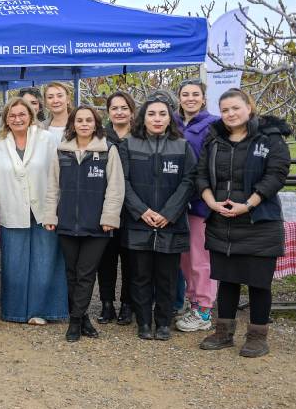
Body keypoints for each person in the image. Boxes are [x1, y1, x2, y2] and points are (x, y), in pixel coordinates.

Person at [197, 89, 291, 357]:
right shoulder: (214, 139)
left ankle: (257, 336)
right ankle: (223, 332)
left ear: (249, 107)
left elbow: (276, 175)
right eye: (225, 110)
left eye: (235, 108)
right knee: (227, 280)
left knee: (259, 283)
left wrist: (248, 204)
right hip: (222, 221)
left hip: (259, 221)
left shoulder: (270, 138)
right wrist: (211, 202)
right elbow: (201, 174)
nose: (230, 114)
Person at [0, 98, 67, 324]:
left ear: (30, 115)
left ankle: (42, 312)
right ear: (6, 118)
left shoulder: (46, 140)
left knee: (45, 262)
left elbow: (59, 175)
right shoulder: (0, 145)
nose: (17, 119)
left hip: (44, 210)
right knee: (15, 264)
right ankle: (15, 311)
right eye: (12, 115)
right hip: (13, 211)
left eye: (21, 114)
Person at [42, 106, 125, 342]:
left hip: (96, 226)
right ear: (73, 124)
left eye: (89, 120)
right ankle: (83, 316)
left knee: (86, 273)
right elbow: (52, 188)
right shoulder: (61, 151)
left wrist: (109, 218)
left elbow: (115, 189)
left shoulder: (108, 150)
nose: (84, 124)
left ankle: (75, 321)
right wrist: (50, 216)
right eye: (80, 120)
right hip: (67, 223)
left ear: (96, 124)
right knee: (71, 274)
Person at [118, 91, 196, 341]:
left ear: (170, 118)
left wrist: (169, 213)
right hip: (138, 222)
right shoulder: (128, 144)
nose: (157, 118)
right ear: (143, 117)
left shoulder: (182, 146)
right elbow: (123, 182)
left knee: (167, 277)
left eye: (163, 114)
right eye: (151, 114)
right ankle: (143, 323)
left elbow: (189, 181)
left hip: (170, 224)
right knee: (140, 276)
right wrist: (142, 211)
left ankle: (163, 322)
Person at [174, 80, 219, 333]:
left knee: (200, 258)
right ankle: (192, 302)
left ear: (203, 98)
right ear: (179, 98)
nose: (190, 98)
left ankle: (203, 308)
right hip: (176, 201)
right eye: (185, 94)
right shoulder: (173, 123)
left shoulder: (212, 124)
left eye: (195, 94)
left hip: (200, 201)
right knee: (184, 258)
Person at [98, 92, 137, 326]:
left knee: (131, 259)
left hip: (134, 208)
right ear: (108, 112)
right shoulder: (101, 137)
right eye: (115, 108)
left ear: (132, 111)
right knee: (106, 259)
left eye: (124, 107)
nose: (119, 112)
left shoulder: (140, 136)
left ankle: (127, 305)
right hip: (106, 205)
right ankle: (106, 304)